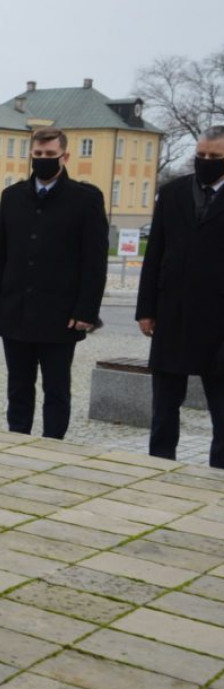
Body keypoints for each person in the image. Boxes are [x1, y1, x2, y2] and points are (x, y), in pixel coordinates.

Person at [0, 127, 108, 439]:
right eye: (38, 155)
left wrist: (86, 310)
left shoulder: (86, 199)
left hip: (61, 313)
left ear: (65, 156)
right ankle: (16, 441)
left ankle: (53, 445)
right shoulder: (13, 196)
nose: (43, 160)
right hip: (16, 308)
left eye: (50, 155)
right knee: (18, 387)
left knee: (57, 388)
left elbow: (95, 262)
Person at [136, 125, 224, 468]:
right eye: (201, 155)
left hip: (218, 322)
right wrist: (146, 309)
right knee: (164, 408)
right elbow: (154, 252)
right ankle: (160, 464)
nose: (205, 161)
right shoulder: (172, 193)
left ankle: (218, 475)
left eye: (215, 157)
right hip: (172, 315)